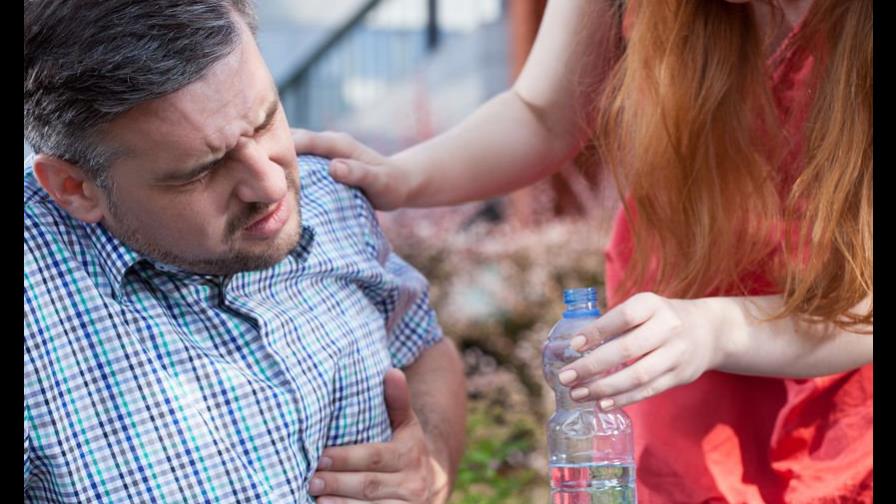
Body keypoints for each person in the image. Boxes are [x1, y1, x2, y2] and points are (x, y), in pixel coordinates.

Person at [294, 0, 873, 501]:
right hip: (677, 387)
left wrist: (720, 328)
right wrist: (401, 177)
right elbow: (544, 114)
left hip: (845, 397)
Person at [23, 1, 465, 503]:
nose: (272, 182)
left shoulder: (329, 192)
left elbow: (424, 348)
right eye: (202, 170)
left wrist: (431, 465)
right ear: (74, 186)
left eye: (266, 121)